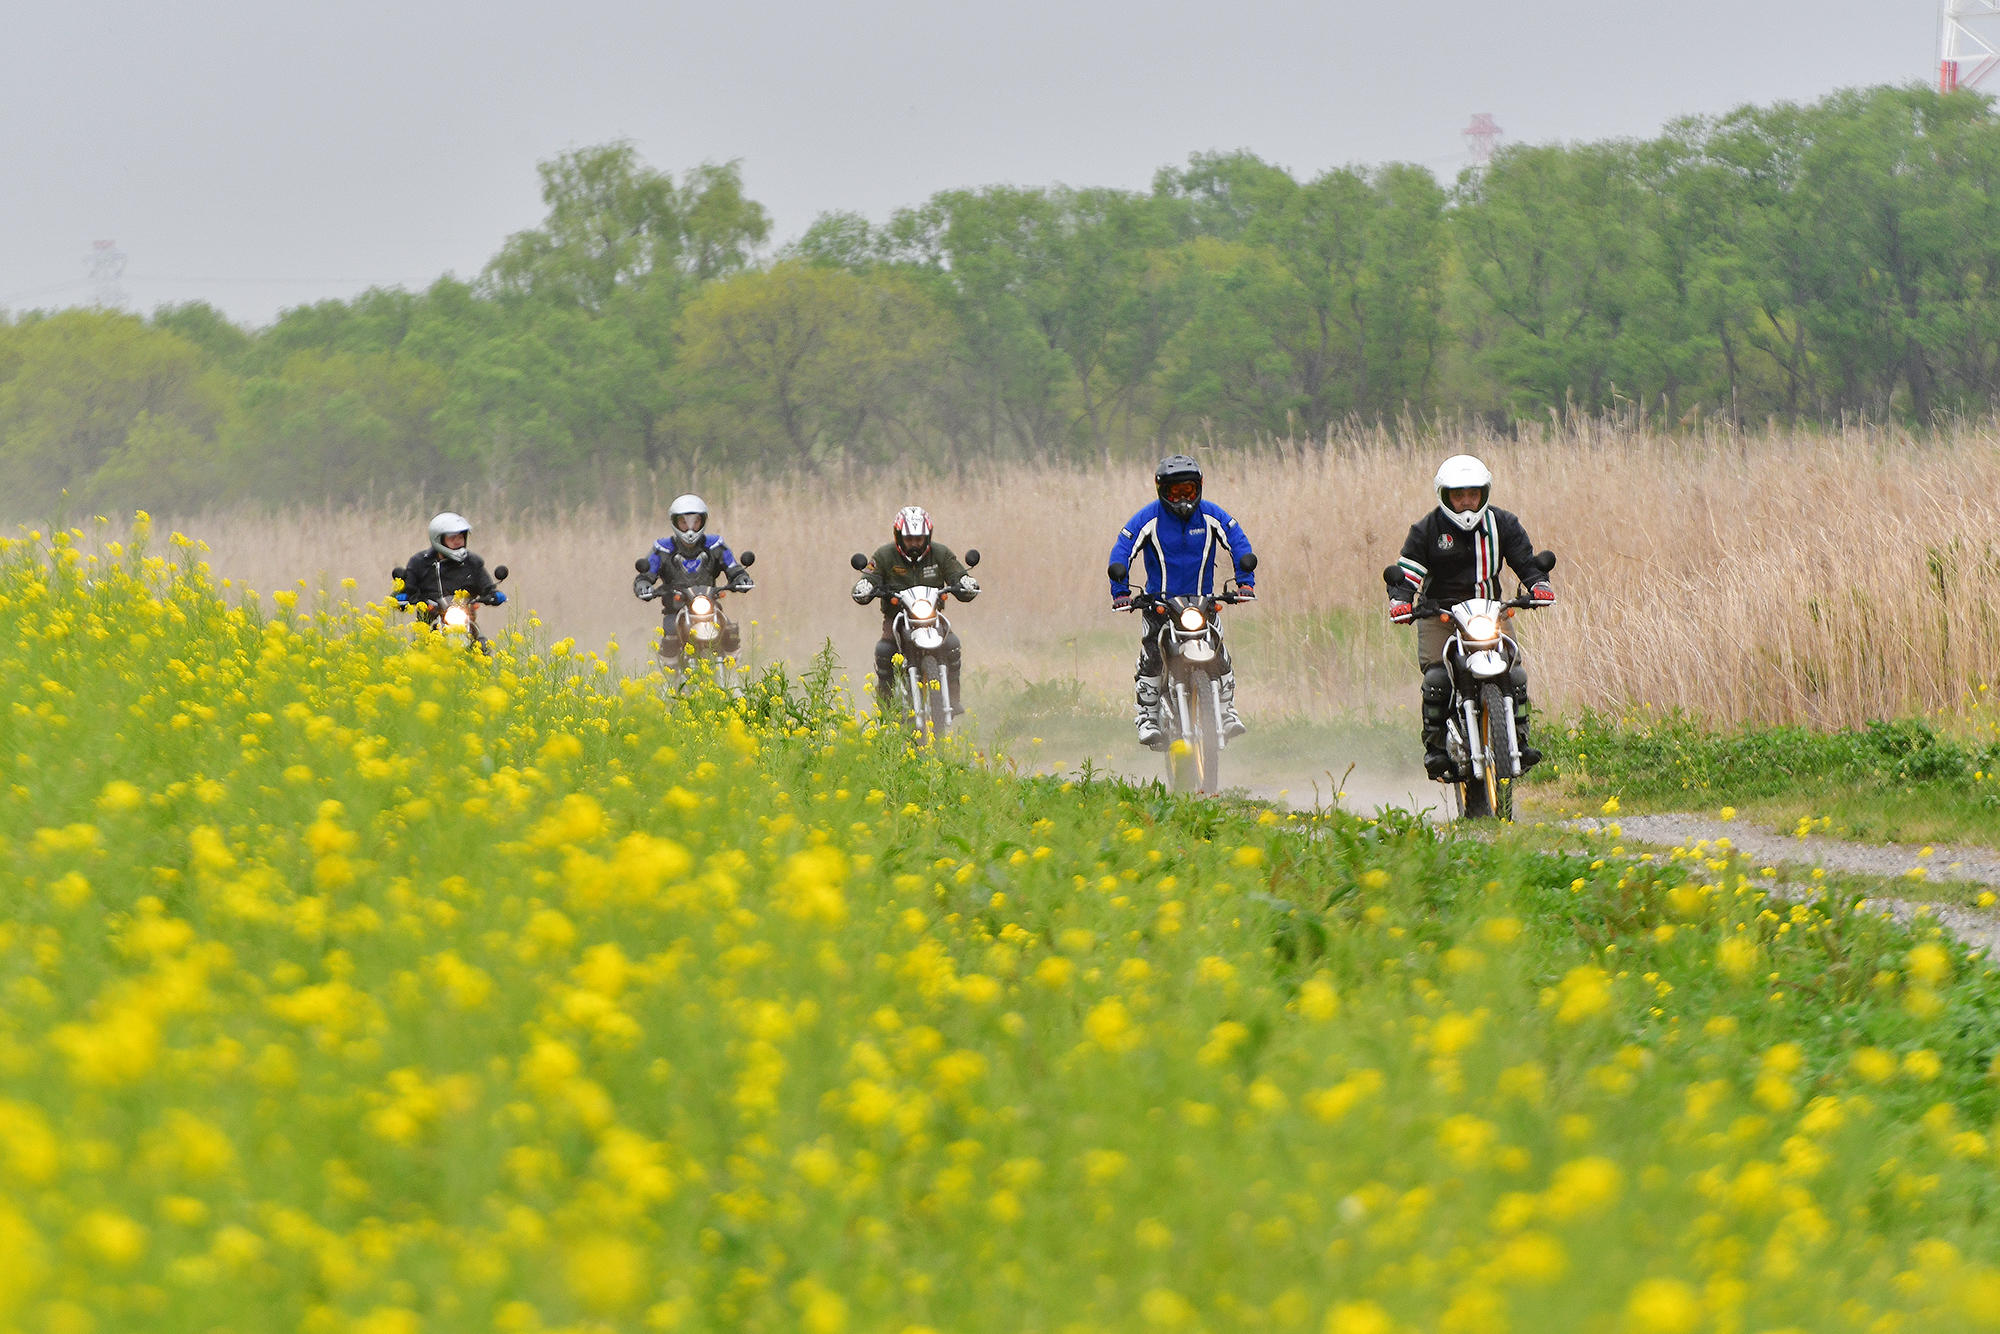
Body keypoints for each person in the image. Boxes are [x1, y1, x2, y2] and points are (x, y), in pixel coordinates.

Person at [1386, 454, 1555, 780]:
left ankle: (1517, 740)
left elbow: (1526, 562)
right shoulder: (1426, 530)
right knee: (1437, 678)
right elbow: (1406, 576)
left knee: (1515, 674)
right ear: (1445, 495)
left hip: (1491, 610)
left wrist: (1540, 585)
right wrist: (1401, 601)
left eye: (1473, 494)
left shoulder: (1503, 524)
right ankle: (1435, 748)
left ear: (1484, 493)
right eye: (1458, 495)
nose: (1466, 502)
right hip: (1441, 615)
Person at [1107, 455, 1256, 748]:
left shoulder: (1212, 515)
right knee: (1151, 656)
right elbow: (1122, 548)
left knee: (1220, 654)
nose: (1183, 498)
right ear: (1162, 490)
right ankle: (1147, 717)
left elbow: (1238, 541)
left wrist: (1245, 583)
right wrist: (1120, 592)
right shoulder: (1148, 518)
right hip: (1160, 606)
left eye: (1188, 490)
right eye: (1175, 492)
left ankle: (1226, 712)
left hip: (1203, 603)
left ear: (1199, 487)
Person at [851, 506, 978, 715]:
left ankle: (953, 699)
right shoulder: (885, 555)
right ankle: (886, 706)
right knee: (885, 651)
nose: (914, 544)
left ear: (928, 536)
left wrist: (966, 582)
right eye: (909, 539)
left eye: (919, 539)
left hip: (931, 616)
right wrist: (865, 587)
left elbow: (956, 573)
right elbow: (870, 576)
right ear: (898, 536)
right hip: (898, 618)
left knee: (953, 645)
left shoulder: (941, 553)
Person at [638, 494, 753, 666]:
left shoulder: (715, 545)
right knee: (670, 634)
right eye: (684, 522)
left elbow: (733, 567)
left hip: (710, 606)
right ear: (675, 523)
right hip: (675, 609)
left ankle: (734, 677)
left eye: (695, 521)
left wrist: (742, 578)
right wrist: (643, 585)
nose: (690, 527)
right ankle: (668, 685)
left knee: (730, 630)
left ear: (703, 522)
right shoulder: (663, 548)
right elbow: (647, 574)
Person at [396, 511, 506, 623]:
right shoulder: (419, 562)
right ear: (438, 539)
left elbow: (486, 587)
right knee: (416, 641)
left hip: (466, 623)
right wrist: (401, 597)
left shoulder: (473, 562)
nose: (457, 541)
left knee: (482, 641)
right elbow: (408, 589)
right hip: (429, 624)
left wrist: (494, 595)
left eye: (460, 537)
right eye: (452, 538)